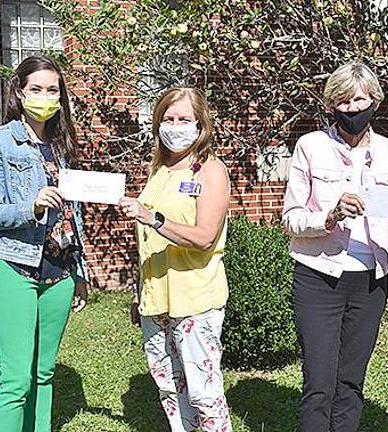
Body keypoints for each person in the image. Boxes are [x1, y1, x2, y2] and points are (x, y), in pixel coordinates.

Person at [281, 62, 388, 432]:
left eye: (359, 99)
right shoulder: (310, 147)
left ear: (374, 101)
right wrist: (330, 215)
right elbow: (290, 217)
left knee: (351, 382)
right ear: (330, 105)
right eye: (343, 101)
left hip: (370, 282)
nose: (352, 109)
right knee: (319, 382)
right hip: (318, 276)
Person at [0, 55, 89, 432]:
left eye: (52, 90)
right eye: (36, 89)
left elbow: (74, 215)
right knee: (16, 381)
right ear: (19, 92)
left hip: (58, 274)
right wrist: (32, 206)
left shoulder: (61, 146)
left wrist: (81, 272)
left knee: (43, 375)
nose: (44, 96)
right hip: (11, 267)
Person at [119, 87, 232, 432]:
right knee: (169, 386)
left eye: (184, 119)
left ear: (201, 124)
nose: (175, 125)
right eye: (168, 119)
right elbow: (147, 241)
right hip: (157, 298)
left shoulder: (210, 171)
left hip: (195, 297)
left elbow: (204, 237)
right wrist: (140, 292)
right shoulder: (160, 170)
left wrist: (152, 217)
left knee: (203, 391)